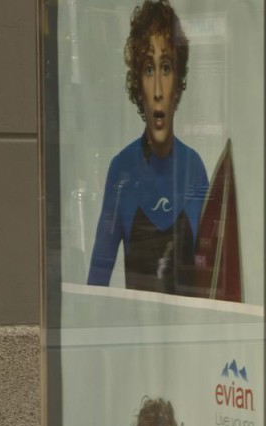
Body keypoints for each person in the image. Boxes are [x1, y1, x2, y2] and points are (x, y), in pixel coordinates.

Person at [86, 0, 208, 293]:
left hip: (190, 337)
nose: (156, 91)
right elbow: (97, 282)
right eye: (148, 69)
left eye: (165, 67)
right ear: (137, 85)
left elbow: (212, 283)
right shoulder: (123, 170)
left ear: (177, 82)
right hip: (138, 336)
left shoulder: (195, 170)